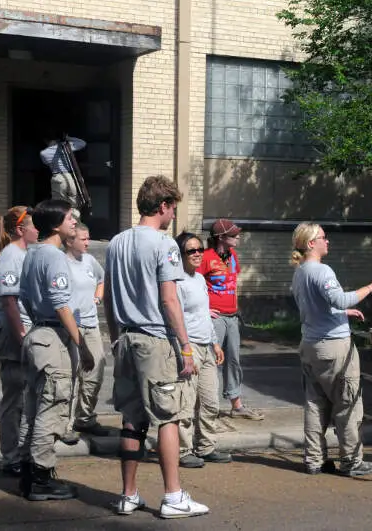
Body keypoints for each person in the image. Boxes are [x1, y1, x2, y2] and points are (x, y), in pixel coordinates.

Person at [103, 175, 209, 519]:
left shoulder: (116, 242)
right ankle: (173, 495)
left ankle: (128, 494)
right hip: (154, 340)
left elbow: (108, 297)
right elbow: (169, 299)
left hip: (127, 337)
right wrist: (186, 347)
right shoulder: (164, 245)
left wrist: (114, 335)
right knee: (169, 417)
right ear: (162, 206)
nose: (172, 215)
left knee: (131, 419)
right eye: (172, 208)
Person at [289, 222, 372, 477]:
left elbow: (317, 306)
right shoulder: (322, 271)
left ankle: (314, 460)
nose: (328, 241)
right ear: (312, 243)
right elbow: (339, 298)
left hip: (310, 344)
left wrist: (341, 313)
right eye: (323, 237)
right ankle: (351, 461)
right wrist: (371, 287)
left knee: (315, 403)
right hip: (334, 347)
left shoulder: (300, 271)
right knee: (348, 402)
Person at [19, 199, 95, 501]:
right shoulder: (54, 257)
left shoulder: (32, 254)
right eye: (69, 219)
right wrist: (82, 343)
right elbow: (62, 304)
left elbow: (24, 296)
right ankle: (40, 478)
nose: (74, 223)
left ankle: (29, 472)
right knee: (52, 406)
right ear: (55, 226)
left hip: (39, 331)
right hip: (53, 335)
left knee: (37, 407)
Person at [174, 232, 232, 468]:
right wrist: (185, 349)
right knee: (186, 402)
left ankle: (206, 446)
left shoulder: (199, 279)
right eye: (191, 251)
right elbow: (175, 317)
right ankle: (183, 449)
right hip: (189, 347)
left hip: (206, 346)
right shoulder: (176, 282)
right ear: (181, 254)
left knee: (210, 401)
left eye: (199, 249)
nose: (197, 254)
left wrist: (215, 342)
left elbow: (205, 316)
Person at [0, 206, 39, 477]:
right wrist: (22, 336)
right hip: (12, 333)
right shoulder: (10, 256)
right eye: (35, 226)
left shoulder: (24, 253)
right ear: (21, 230)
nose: (39, 230)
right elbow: (10, 302)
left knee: (24, 396)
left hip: (22, 329)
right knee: (14, 398)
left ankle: (21, 453)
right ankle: (10, 458)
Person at [198, 218, 263, 421]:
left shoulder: (233, 255)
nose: (238, 237)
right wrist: (203, 310)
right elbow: (193, 283)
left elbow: (233, 284)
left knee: (233, 360)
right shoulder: (206, 257)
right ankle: (205, 407)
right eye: (233, 235)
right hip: (214, 317)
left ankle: (236, 404)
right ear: (221, 237)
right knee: (210, 361)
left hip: (232, 317)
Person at [60, 222, 110, 444]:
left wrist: (97, 298)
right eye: (83, 239)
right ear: (70, 241)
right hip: (72, 325)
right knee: (73, 374)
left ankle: (85, 417)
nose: (88, 242)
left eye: (88, 238)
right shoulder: (61, 263)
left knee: (96, 367)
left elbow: (102, 279)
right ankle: (66, 424)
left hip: (91, 324)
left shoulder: (89, 261)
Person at [40, 133, 86, 220]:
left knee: (59, 205)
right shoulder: (67, 147)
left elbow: (46, 162)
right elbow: (82, 143)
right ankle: (75, 223)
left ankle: (61, 224)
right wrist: (69, 138)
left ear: (46, 141)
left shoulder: (44, 153)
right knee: (74, 204)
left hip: (58, 178)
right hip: (72, 177)